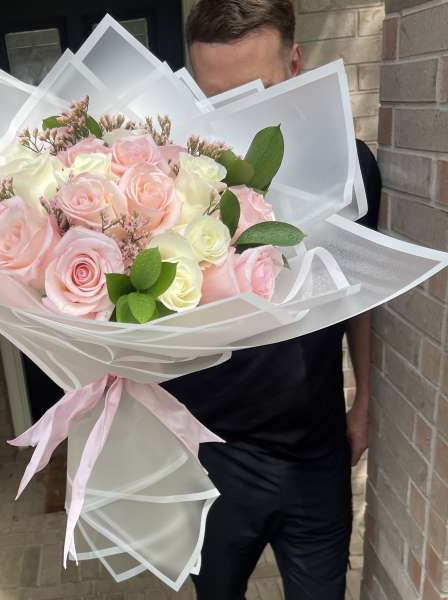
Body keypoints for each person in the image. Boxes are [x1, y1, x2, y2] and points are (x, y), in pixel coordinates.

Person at [162, 1, 382, 598]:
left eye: (256, 91)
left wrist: (364, 398)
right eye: (219, 98)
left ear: (295, 63)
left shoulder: (351, 169)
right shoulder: (171, 185)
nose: (241, 114)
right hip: (210, 455)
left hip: (317, 452)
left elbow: (361, 293)